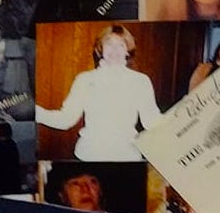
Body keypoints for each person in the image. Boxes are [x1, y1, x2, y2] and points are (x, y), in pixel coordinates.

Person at [35, 24, 162, 161]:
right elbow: (65, 119)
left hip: (127, 157)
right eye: (109, 44)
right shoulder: (85, 79)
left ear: (127, 50)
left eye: (120, 45)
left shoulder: (140, 81)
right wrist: (32, 112)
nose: (114, 50)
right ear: (100, 49)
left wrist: (178, 118)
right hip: (89, 156)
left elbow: (151, 121)